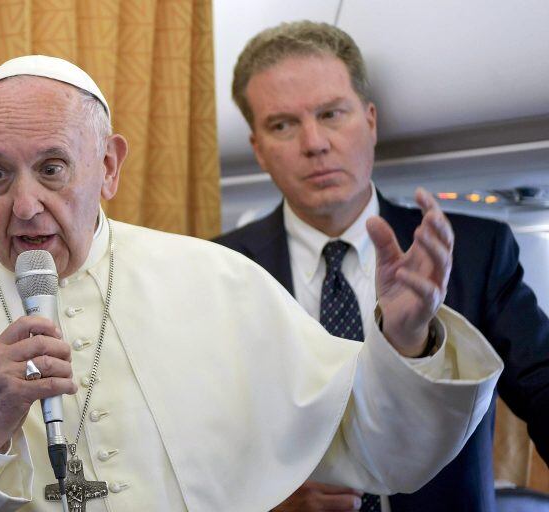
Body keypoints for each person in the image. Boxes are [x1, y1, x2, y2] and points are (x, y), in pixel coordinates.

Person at [0, 55, 503, 512]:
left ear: (108, 165)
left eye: (52, 168)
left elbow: (370, 445)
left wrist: (406, 343)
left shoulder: (218, 281)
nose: (24, 205)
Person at [214, 20, 549, 512]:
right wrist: (265, 501)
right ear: (259, 150)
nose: (314, 143)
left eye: (331, 114)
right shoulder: (221, 270)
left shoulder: (474, 250)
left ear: (369, 121)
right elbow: (195, 443)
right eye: (282, 125)